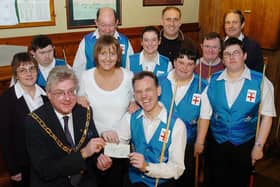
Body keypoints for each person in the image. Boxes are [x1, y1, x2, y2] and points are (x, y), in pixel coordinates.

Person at [194, 37, 276, 187]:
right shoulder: (213, 80)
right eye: (227, 54)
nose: (231, 57)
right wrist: (200, 141)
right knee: (213, 181)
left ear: (244, 56)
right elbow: (205, 115)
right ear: (223, 59)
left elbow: (267, 117)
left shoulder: (261, 82)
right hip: (217, 143)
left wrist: (259, 146)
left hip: (244, 144)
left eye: (236, 53)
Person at [24, 66, 112, 187]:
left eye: (71, 91)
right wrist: (83, 153)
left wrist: (100, 162)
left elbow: (94, 151)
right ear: (48, 94)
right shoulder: (34, 121)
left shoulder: (84, 112)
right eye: (60, 93)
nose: (67, 98)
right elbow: (45, 170)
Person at [103, 71, 187, 187]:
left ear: (158, 91)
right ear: (135, 96)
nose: (144, 96)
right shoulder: (130, 118)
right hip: (134, 181)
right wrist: (108, 138)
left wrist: (147, 167)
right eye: (139, 92)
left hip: (162, 183)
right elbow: (118, 143)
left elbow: (177, 168)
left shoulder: (177, 125)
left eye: (148, 90)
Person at [78, 35, 134, 187]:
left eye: (112, 53)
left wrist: (136, 104)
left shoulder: (129, 77)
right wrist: (78, 101)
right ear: (96, 55)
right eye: (103, 53)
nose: (108, 58)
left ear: (118, 56)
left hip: (121, 145)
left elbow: (135, 106)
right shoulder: (86, 77)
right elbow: (80, 111)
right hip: (95, 145)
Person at [159, 42, 207, 187]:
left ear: (195, 65)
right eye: (181, 62)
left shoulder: (202, 86)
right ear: (174, 62)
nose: (184, 68)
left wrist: (200, 141)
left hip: (188, 142)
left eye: (190, 63)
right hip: (162, 140)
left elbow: (204, 116)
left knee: (186, 179)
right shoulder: (159, 81)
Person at [0, 52, 47, 187]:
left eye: (32, 68)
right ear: (16, 75)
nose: (29, 73)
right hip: (23, 164)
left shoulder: (46, 94)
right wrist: (13, 169)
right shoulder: (7, 99)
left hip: (48, 160)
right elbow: (5, 137)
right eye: (22, 70)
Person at [73, 7, 134, 79]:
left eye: (111, 25)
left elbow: (130, 71)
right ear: (96, 23)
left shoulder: (125, 42)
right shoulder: (86, 42)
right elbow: (77, 72)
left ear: (116, 23)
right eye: (103, 25)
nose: (107, 30)